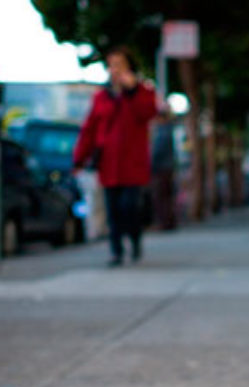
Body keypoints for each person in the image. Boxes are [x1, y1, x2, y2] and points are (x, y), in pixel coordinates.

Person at [73, 45, 157, 266]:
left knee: (130, 206)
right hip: (109, 163)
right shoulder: (101, 97)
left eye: (120, 65)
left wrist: (132, 91)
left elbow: (148, 113)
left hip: (133, 162)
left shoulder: (143, 92)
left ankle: (135, 239)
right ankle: (116, 251)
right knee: (112, 209)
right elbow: (89, 129)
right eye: (112, 65)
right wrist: (79, 159)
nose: (115, 70)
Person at [150, 107, 178, 231]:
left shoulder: (163, 131)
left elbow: (158, 151)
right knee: (166, 196)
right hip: (167, 168)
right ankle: (168, 221)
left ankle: (164, 222)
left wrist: (151, 163)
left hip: (162, 169)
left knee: (161, 196)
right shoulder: (169, 129)